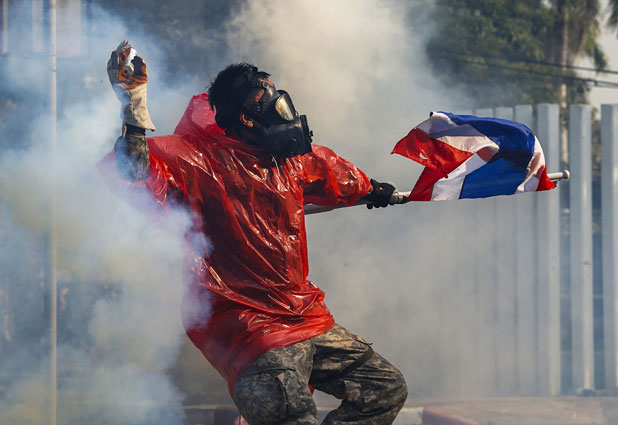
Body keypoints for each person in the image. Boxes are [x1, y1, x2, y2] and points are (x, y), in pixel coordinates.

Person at [103, 41, 407, 425]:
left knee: (384, 389)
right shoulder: (197, 161)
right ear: (247, 118)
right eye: (270, 102)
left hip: (303, 315)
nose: (282, 108)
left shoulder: (286, 160)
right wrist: (133, 108)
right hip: (249, 328)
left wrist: (374, 189)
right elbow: (134, 172)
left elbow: (331, 171)